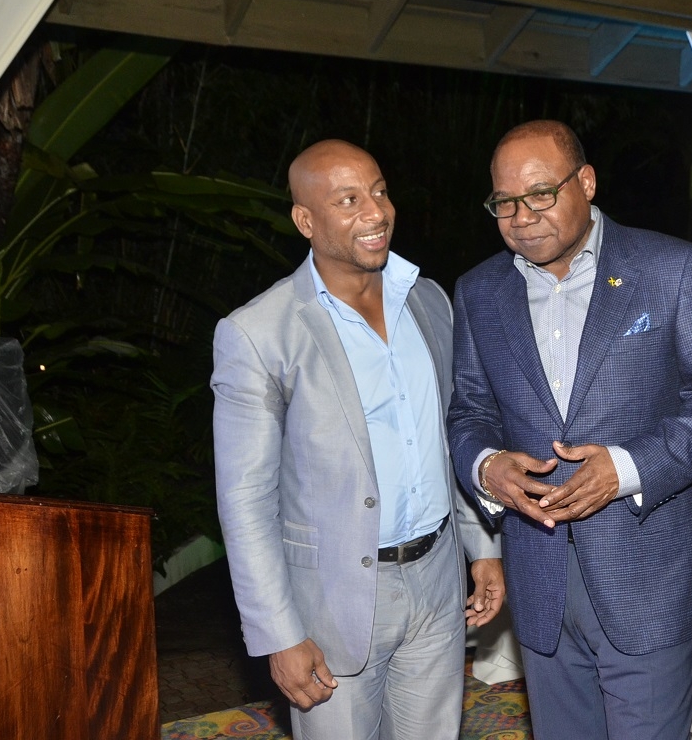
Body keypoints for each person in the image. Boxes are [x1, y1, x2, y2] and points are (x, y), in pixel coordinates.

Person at [447, 119, 692, 740]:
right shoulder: (479, 291)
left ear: (585, 183)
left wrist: (628, 468)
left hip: (647, 579)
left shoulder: (671, 269)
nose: (521, 217)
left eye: (540, 193)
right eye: (504, 202)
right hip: (539, 584)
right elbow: (469, 411)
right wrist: (485, 465)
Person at [211, 139, 504, 740]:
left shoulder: (427, 300)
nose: (376, 212)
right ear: (305, 220)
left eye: (379, 191)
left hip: (437, 582)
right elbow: (245, 500)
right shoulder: (258, 333)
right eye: (348, 200)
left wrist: (483, 547)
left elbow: (450, 436)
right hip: (332, 602)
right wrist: (279, 633)